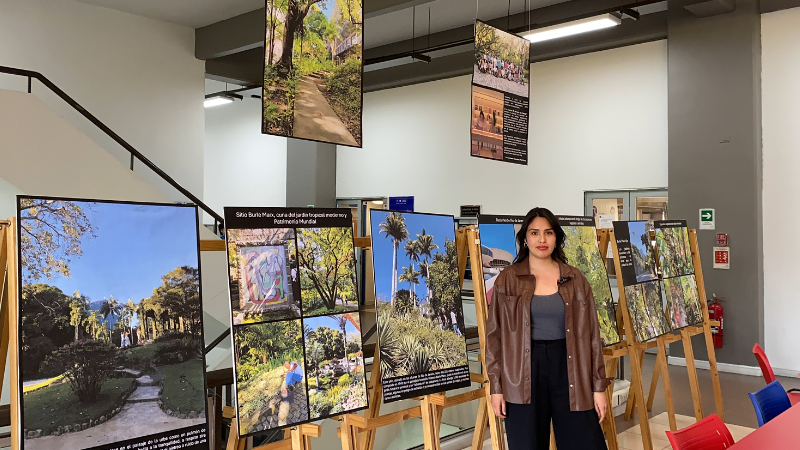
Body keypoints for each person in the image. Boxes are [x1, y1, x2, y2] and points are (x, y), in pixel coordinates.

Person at [485, 207, 610, 450]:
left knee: (584, 442)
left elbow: (593, 337)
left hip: (570, 366)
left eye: (548, 233)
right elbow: (495, 337)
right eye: (534, 233)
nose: (541, 240)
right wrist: (496, 387)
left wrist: (598, 388)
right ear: (524, 239)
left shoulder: (575, 279)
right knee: (527, 444)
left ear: (557, 238)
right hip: (521, 372)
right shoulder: (507, 280)